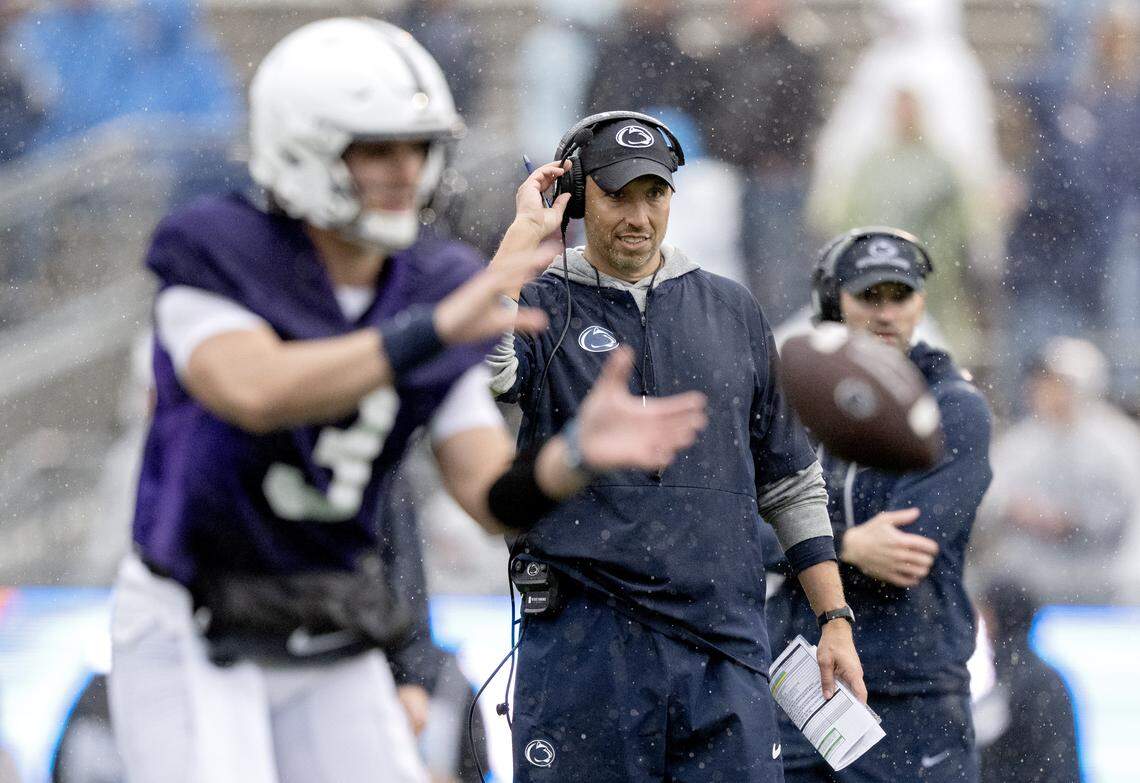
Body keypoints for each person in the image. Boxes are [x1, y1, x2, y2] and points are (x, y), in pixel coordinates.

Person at [107, 21, 708, 783]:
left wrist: (569, 457)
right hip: (193, 614)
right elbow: (255, 390)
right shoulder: (219, 246)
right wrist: (426, 332)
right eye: (376, 148)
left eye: (417, 147)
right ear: (304, 146)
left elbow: (490, 494)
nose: (404, 169)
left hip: (327, 609)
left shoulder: (431, 282)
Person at [486, 110, 865, 783]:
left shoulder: (734, 309)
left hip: (723, 649)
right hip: (585, 649)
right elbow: (482, 372)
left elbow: (789, 480)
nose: (639, 216)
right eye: (617, 195)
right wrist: (524, 237)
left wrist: (833, 615)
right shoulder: (537, 301)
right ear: (574, 195)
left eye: (654, 194)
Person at [765, 227, 993, 782]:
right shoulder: (786, 401)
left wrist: (797, 542)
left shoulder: (956, 408)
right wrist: (848, 544)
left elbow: (907, 553)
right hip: (800, 689)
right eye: (869, 296)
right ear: (831, 302)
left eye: (901, 295)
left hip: (911, 691)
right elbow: (730, 530)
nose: (887, 313)